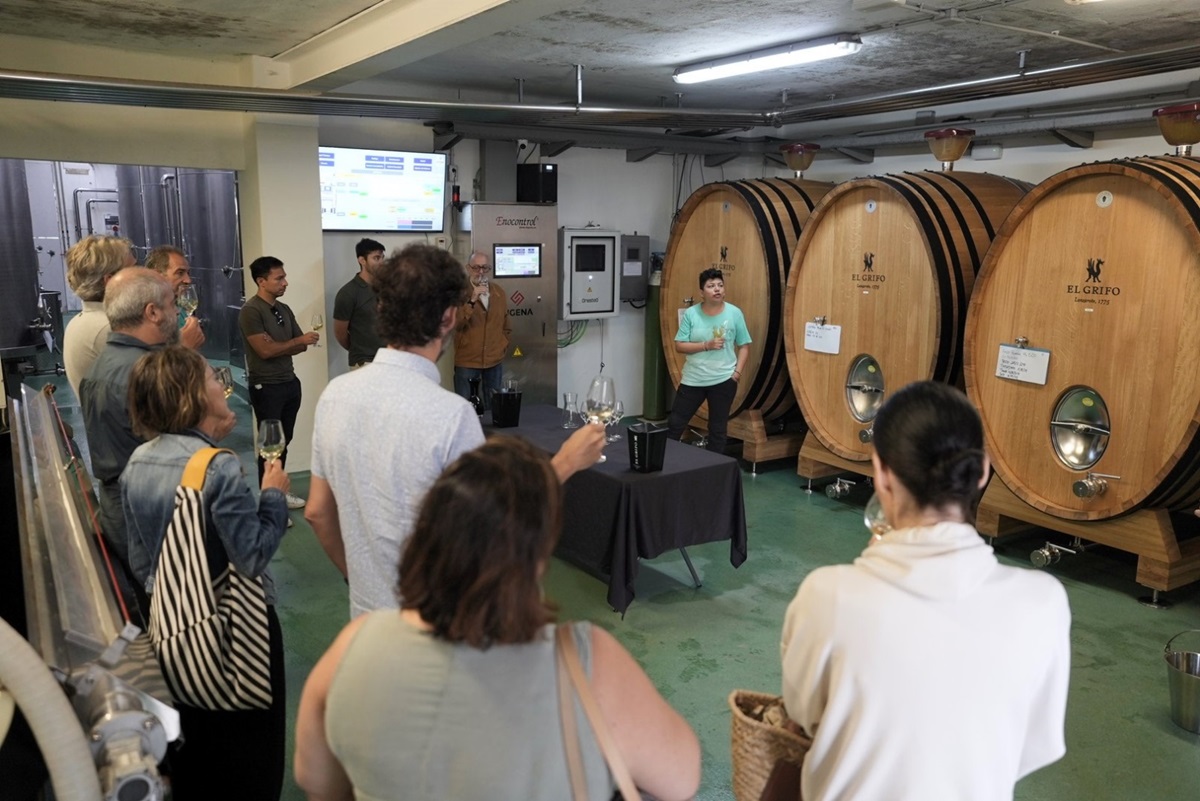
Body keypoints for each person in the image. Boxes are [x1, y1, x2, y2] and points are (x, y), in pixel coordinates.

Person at [294, 437, 701, 801]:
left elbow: (317, 782)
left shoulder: (352, 648)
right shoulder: (588, 662)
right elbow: (682, 779)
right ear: (536, 561)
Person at [780, 381, 1070, 801]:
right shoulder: (1044, 603)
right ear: (983, 471)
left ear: (881, 474)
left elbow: (804, 719)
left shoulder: (826, 596)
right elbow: (1031, 746)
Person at [305, 244, 605, 618]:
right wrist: (566, 461)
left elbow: (317, 512)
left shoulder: (335, 396)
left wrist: (364, 582)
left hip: (366, 615)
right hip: (434, 621)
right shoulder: (451, 415)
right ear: (448, 318)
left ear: (382, 310)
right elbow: (495, 527)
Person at [121, 346, 289, 801]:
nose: (221, 385)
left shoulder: (136, 463)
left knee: (202, 755)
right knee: (252, 754)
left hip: (177, 636)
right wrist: (272, 495)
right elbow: (252, 555)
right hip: (237, 637)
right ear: (194, 394)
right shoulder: (219, 467)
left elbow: (142, 564)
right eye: (214, 380)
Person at [79, 268, 179, 601]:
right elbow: (178, 452)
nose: (177, 313)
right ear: (153, 312)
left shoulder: (102, 364)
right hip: (152, 520)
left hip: (121, 512)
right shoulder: (147, 374)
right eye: (172, 304)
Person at [238, 255, 318, 506]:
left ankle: (279, 493)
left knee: (284, 442)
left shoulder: (283, 309)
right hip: (266, 386)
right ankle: (269, 500)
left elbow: (299, 347)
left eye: (284, 277)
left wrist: (285, 344)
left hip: (289, 383)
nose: (285, 283)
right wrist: (294, 342)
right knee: (270, 446)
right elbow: (265, 351)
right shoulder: (251, 311)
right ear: (261, 281)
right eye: (279, 278)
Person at [666, 268, 750, 455]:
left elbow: (744, 345)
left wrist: (736, 374)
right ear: (701, 292)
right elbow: (680, 345)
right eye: (711, 286)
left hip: (723, 380)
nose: (717, 289)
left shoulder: (735, 313)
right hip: (693, 379)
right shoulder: (691, 314)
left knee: (718, 430)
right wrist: (706, 345)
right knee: (675, 424)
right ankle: (664, 466)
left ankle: (714, 471)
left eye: (720, 285)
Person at [63, 234, 135, 398]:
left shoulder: (84, 320)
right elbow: (152, 392)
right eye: (133, 270)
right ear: (111, 281)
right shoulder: (107, 329)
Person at [453, 249, 511, 409]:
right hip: (468, 360)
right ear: (468, 268)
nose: (480, 272)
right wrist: (471, 301)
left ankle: (493, 435)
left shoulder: (499, 292)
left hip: (494, 360)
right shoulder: (458, 292)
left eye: (485, 268)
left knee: (495, 408)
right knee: (465, 407)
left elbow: (506, 325)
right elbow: (456, 324)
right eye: (476, 267)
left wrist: (501, 347)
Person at [332, 238, 385, 368]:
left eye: (383, 258)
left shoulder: (387, 287)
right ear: (362, 260)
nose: (382, 262)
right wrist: (359, 349)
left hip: (389, 359)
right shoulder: (348, 292)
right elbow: (340, 333)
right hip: (364, 361)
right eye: (376, 258)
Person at [145, 245, 205, 350]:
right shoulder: (146, 317)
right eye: (180, 273)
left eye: (188, 273)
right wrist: (186, 348)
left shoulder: (180, 308)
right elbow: (155, 363)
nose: (188, 280)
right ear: (157, 275)